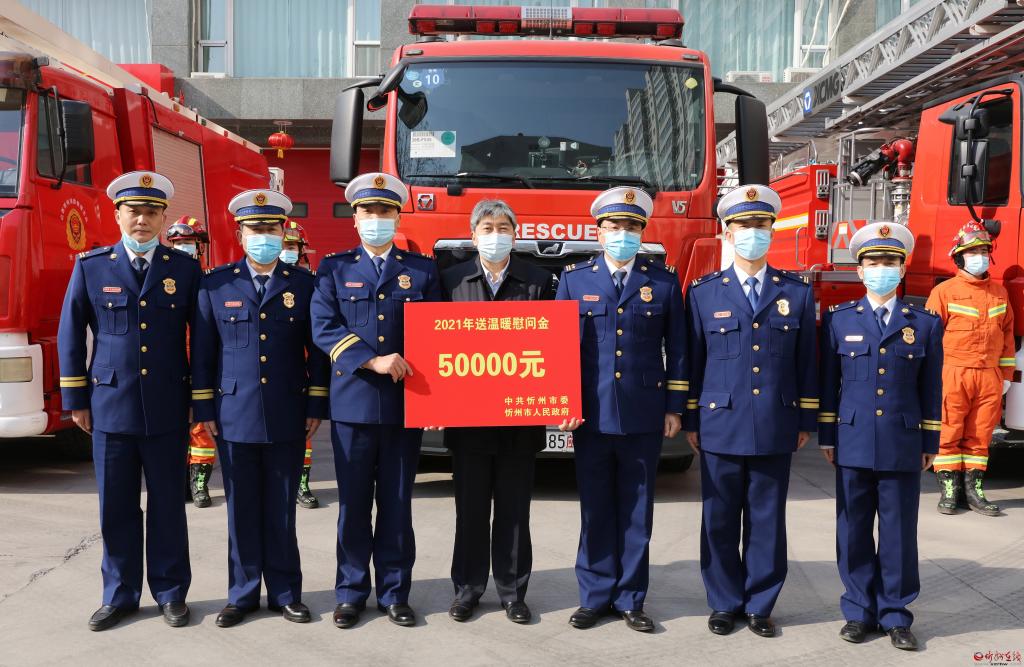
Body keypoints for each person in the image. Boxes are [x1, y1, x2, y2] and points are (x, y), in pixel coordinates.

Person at [58, 171, 199, 631]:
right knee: (116, 507)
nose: (142, 220)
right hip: (110, 406)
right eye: (134, 211)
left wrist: (199, 398)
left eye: (152, 212)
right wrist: (76, 398)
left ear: (163, 218)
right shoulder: (91, 266)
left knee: (167, 506)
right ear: (117, 214)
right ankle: (119, 595)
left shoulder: (183, 269)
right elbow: (70, 334)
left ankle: (171, 592)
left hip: (167, 406)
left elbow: (202, 339)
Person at [191, 189, 329, 628]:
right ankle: (243, 595)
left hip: (288, 410)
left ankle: (286, 594)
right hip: (233, 414)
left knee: (282, 509)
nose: (263, 236)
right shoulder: (215, 284)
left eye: (271, 228)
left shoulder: (304, 284)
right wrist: (204, 409)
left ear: (282, 232)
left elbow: (318, 352)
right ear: (240, 234)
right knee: (241, 510)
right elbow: (204, 354)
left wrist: (316, 402)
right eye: (255, 229)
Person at [684, 184, 817, 638]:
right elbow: (693, 362)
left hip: (775, 423)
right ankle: (724, 602)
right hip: (720, 423)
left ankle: (760, 604)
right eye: (744, 225)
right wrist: (691, 418)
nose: (752, 232)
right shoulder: (703, 293)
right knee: (719, 519)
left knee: (766, 521)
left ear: (772, 231)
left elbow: (807, 362)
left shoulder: (796, 293)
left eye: (761, 224)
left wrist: (805, 419)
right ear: (727, 231)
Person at [311, 172, 442, 629]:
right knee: (352, 507)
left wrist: (436, 403)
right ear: (354, 218)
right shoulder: (334, 268)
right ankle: (350, 594)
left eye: (385, 211)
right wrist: (372, 360)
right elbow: (323, 326)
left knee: (396, 506)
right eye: (368, 211)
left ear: (397, 217)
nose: (376, 218)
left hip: (407, 407)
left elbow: (438, 336)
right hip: (354, 406)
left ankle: (394, 594)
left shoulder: (422, 271)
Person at [556, 186, 687, 633]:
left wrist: (674, 406)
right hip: (590, 414)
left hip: (643, 413)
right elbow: (561, 350)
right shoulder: (574, 280)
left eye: (631, 226)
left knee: (636, 511)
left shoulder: (662, 282)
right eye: (614, 226)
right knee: (595, 510)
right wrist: (564, 402)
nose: (622, 234)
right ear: (599, 231)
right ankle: (594, 597)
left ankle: (631, 598)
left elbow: (679, 350)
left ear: (642, 232)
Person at [819, 222, 942, 651]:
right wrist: (827, 436)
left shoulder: (924, 324)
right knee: (852, 530)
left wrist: (929, 442)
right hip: (852, 440)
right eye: (873, 262)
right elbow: (828, 383)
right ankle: (858, 611)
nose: (881, 268)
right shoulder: (838, 320)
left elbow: (931, 388)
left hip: (902, 442)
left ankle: (895, 614)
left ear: (903, 268)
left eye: (890, 261)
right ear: (859, 270)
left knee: (898, 534)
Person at [441, 199, 558, 625]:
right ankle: (467, 591)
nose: (496, 235)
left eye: (503, 227)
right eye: (487, 228)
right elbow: (436, 347)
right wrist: (432, 402)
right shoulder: (450, 281)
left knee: (514, 513)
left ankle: (512, 593)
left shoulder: (539, 281)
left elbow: (555, 349)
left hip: (519, 422)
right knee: (470, 513)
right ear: (473, 236)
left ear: (515, 234)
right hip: (468, 422)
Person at [925, 221, 1013, 516]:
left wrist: (1006, 376)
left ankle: (974, 491)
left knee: (980, 435)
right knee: (949, 431)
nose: (980, 257)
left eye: (984, 252)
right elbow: (929, 340)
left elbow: (1007, 337)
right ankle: (950, 491)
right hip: (953, 373)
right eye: (973, 252)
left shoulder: (1000, 293)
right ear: (959, 257)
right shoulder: (944, 292)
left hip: (989, 376)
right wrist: (930, 377)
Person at [165, 216, 218, 508]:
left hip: (202, 365)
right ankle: (180, 482)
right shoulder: (164, 277)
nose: (183, 248)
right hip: (172, 366)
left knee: (201, 426)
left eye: (188, 243)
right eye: (178, 243)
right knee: (173, 427)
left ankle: (199, 484)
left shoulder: (212, 280)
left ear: (200, 246)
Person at [279, 220, 320, 509]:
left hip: (298, 378)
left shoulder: (310, 284)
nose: (286, 250)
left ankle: (301, 484)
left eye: (291, 246)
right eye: (284, 245)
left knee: (303, 438)